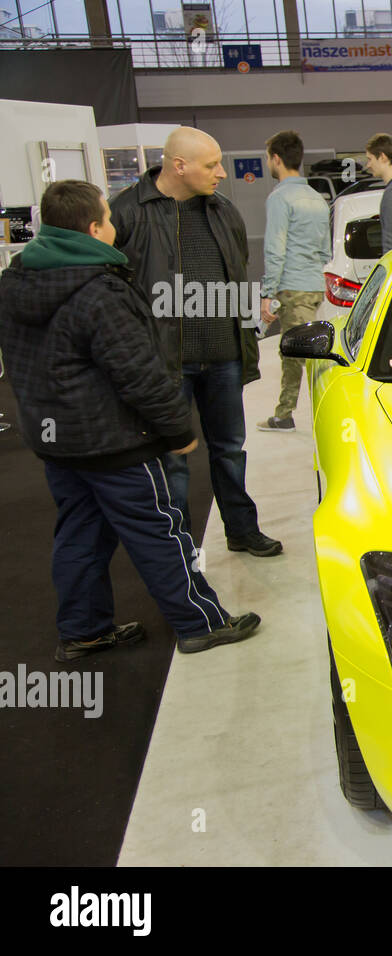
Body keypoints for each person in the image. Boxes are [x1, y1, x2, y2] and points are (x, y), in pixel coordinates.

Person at [0, 180, 262, 658]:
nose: (115, 226)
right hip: (114, 440)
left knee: (79, 532)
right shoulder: (100, 290)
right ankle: (200, 623)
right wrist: (178, 431)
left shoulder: (16, 281)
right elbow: (138, 373)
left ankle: (83, 630)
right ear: (95, 226)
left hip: (55, 438)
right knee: (159, 530)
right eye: (108, 217)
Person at [110, 126, 282, 557]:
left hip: (222, 358)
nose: (222, 173)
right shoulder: (127, 213)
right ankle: (178, 548)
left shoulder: (223, 211)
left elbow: (238, 272)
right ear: (179, 165)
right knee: (172, 460)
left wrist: (246, 336)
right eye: (211, 165)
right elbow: (111, 290)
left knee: (230, 450)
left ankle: (242, 529)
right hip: (165, 364)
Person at [257, 129, 330, 433]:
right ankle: (284, 413)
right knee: (297, 353)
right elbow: (326, 250)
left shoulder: (280, 198)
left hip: (293, 286)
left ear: (276, 159)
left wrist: (267, 293)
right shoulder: (318, 198)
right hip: (314, 286)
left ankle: (311, 414)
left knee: (303, 357)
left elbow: (275, 249)